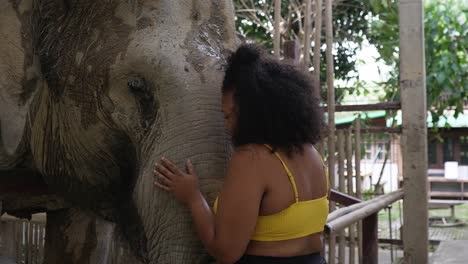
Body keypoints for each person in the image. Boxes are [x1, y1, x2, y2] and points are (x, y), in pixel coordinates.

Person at [154, 44, 328, 264]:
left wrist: (192, 196)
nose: (227, 126)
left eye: (229, 116)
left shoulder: (252, 158)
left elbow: (226, 252)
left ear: (255, 113)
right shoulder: (311, 153)